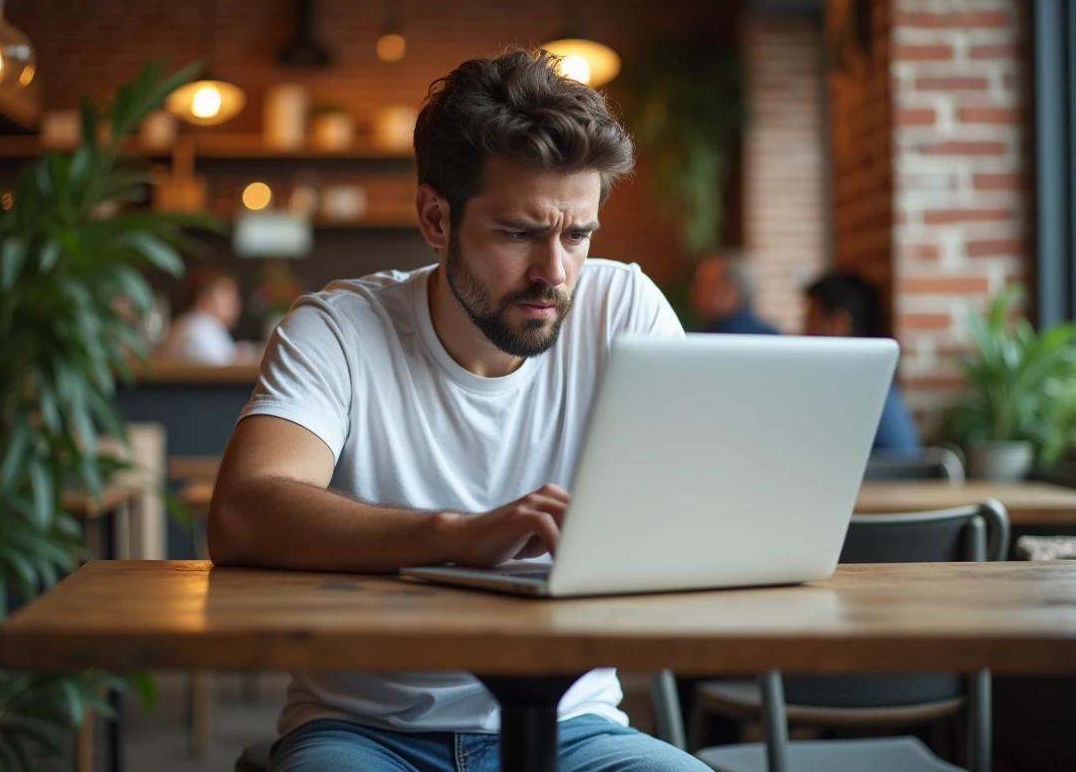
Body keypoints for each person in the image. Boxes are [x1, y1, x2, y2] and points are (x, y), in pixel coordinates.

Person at [207, 50, 709, 772]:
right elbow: (244, 510)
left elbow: (698, 501)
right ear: (434, 217)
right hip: (363, 729)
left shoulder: (624, 308)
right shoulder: (340, 328)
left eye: (577, 235)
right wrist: (458, 535)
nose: (555, 274)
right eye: (518, 233)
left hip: (578, 729)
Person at [803, 271, 921, 454]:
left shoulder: (866, 386)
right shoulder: (841, 384)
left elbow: (904, 461)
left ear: (838, 324)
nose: (802, 330)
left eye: (810, 318)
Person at [162, 267, 250, 365]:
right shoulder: (198, 331)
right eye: (226, 293)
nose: (235, 301)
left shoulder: (198, 325)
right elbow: (217, 372)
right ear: (205, 301)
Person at [689, 249, 780, 335]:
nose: (692, 293)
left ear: (727, 293)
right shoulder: (775, 338)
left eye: (702, 285)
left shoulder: (699, 342)